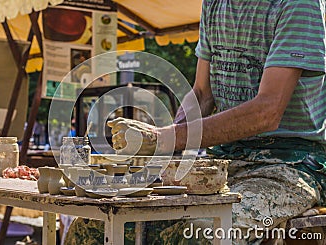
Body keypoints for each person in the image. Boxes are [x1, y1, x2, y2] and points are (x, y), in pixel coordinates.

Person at [108, 1, 326, 244]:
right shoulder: (215, 3)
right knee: (100, 225)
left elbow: (267, 111)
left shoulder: (298, 4)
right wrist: (166, 147)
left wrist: (162, 138)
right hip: (222, 165)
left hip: (288, 164)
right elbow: (202, 93)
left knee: (202, 233)